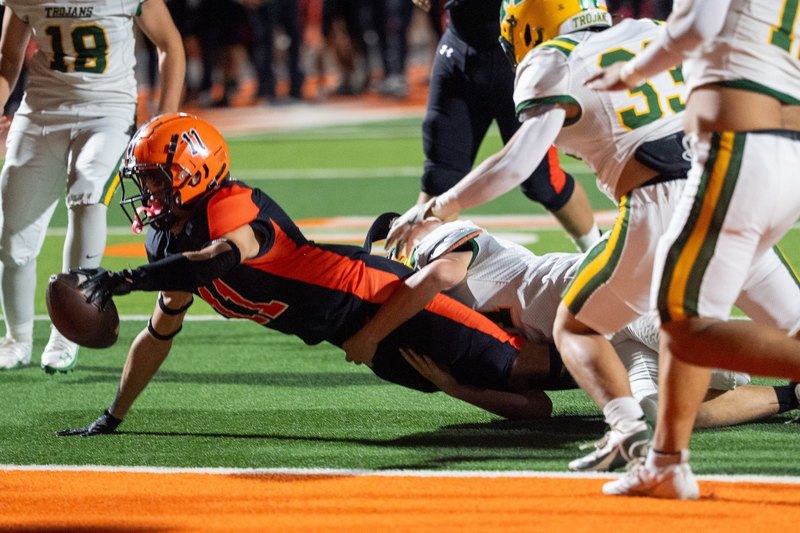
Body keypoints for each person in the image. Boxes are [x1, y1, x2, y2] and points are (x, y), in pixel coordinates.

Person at [386, 0, 800, 473]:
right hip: (738, 181)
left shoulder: (550, 61)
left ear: (529, 23)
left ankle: (626, 430)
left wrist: (442, 203)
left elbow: (519, 163)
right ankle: (663, 456)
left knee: (578, 327)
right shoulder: (648, 29)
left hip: (663, 200)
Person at [57, 113, 589, 437]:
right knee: (479, 381)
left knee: (521, 366)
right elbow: (158, 335)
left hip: (379, 302)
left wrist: (124, 280)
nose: (147, 194)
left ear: (192, 174)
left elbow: (220, 260)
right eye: (144, 181)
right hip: (361, 342)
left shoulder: (233, 206)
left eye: (154, 180)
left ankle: (633, 370)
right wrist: (113, 415)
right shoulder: (172, 243)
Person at [586, 0, 800, 499]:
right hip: (777, 146)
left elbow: (697, 22)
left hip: (739, 147)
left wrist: (635, 70)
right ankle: (665, 463)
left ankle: (666, 462)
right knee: (685, 313)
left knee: (684, 329)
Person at [353, 216, 799, 446]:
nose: (397, 242)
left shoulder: (444, 246)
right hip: (597, 331)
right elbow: (535, 406)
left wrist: (372, 333)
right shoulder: (449, 318)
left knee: (712, 358)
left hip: (597, 286)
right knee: (657, 410)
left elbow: (438, 276)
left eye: (399, 230)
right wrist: (451, 385)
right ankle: (792, 396)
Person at [0, 0, 185, 373]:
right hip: (40, 112)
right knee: (12, 237)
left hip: (108, 111)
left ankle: (67, 331)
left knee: (87, 190)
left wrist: (162, 122)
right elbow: (7, 58)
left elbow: (170, 46)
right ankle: (16, 338)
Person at [409, 0, 600, 253]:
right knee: (440, 177)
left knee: (542, 181)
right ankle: (435, 280)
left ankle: (598, 254)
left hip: (516, 54)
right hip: (458, 48)